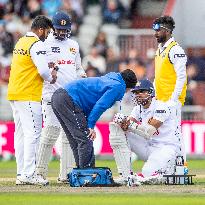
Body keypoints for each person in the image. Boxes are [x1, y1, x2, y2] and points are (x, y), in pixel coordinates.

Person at [35, 11, 86, 184]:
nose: (62, 32)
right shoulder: (44, 45)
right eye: (59, 29)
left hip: (70, 96)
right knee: (50, 131)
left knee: (68, 135)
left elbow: (78, 68)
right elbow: (41, 69)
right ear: (52, 29)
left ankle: (65, 175)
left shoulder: (74, 45)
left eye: (65, 29)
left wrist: (82, 75)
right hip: (50, 94)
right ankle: (39, 173)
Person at [51, 69, 137, 169]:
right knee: (86, 138)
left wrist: (87, 123)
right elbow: (100, 105)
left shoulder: (111, 78)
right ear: (128, 86)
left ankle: (80, 173)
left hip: (58, 97)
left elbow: (89, 102)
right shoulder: (118, 86)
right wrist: (91, 125)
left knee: (76, 140)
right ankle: (88, 173)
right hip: (69, 99)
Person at [7, 15, 57, 185]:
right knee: (33, 135)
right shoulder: (37, 44)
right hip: (29, 95)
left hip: (15, 93)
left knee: (20, 135)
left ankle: (22, 172)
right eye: (47, 32)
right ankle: (29, 174)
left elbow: (30, 65)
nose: (47, 36)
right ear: (41, 29)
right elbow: (43, 71)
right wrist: (52, 76)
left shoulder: (21, 42)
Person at [109, 79, 183, 185]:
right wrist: (123, 122)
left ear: (151, 92)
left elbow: (150, 131)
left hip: (166, 148)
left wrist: (130, 125)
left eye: (142, 91)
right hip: (149, 146)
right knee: (117, 131)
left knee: (147, 172)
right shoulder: (137, 109)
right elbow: (128, 125)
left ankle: (161, 172)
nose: (138, 95)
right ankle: (125, 175)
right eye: (136, 92)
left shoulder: (161, 107)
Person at [152, 16, 187, 161]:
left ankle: (181, 167)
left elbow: (181, 77)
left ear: (167, 31)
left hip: (171, 101)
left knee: (175, 133)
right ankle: (167, 167)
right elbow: (158, 76)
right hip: (160, 99)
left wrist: (174, 100)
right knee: (164, 136)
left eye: (158, 30)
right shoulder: (160, 49)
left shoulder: (175, 50)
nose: (155, 33)